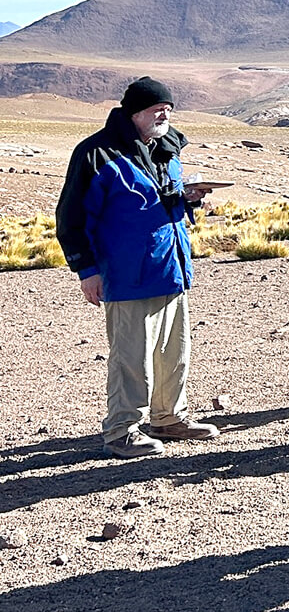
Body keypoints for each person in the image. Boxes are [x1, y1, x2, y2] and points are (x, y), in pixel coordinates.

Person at [55, 77, 218, 458]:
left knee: (173, 352)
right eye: (157, 110)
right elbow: (71, 217)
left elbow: (160, 201)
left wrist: (188, 199)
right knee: (131, 358)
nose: (164, 116)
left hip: (170, 269)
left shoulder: (166, 149)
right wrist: (86, 270)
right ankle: (121, 430)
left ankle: (168, 418)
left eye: (168, 110)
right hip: (127, 275)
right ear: (135, 113)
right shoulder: (97, 154)